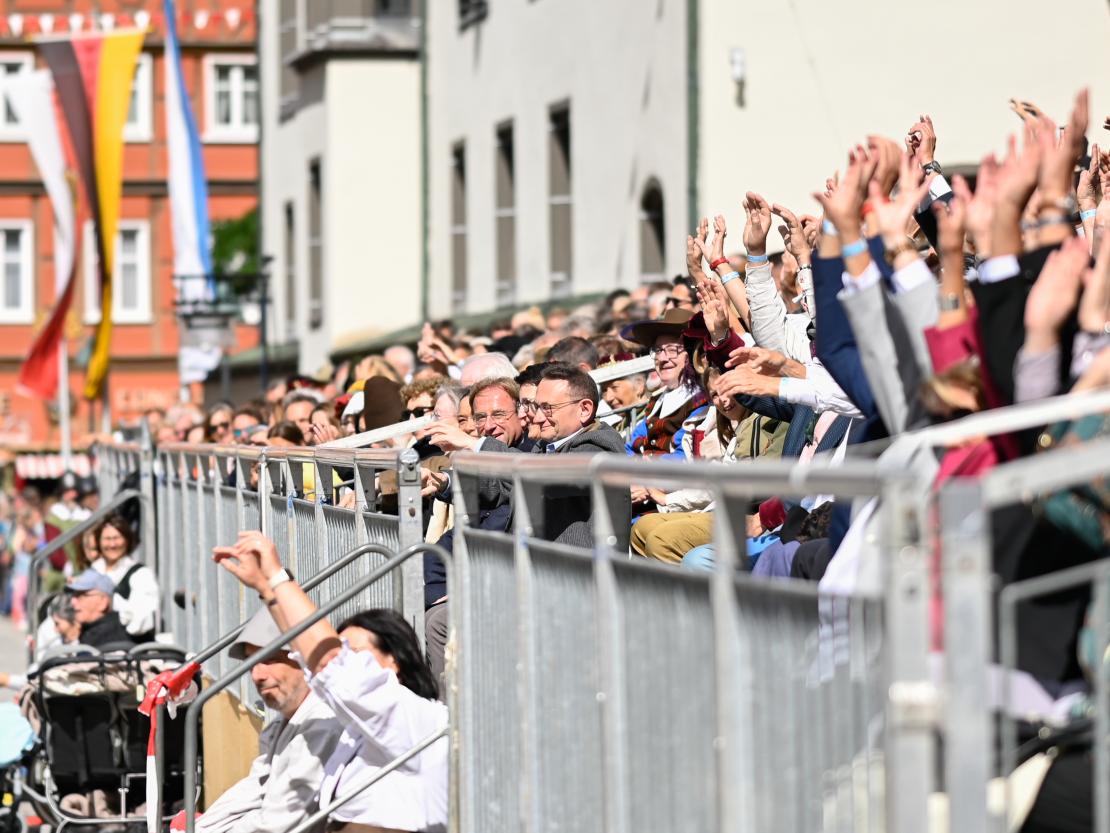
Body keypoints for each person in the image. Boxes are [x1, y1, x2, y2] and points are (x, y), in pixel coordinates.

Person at [213, 532, 448, 833]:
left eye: (358, 655)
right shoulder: (357, 729)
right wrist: (267, 590)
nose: (348, 663)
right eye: (345, 653)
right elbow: (313, 657)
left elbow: (328, 663)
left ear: (395, 660)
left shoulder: (415, 719)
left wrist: (276, 578)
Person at [191, 606, 343, 833]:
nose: (257, 675)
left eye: (270, 659)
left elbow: (279, 822)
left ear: (305, 662)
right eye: (252, 661)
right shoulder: (284, 724)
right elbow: (254, 789)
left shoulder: (324, 724)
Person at [621, 308, 710, 458]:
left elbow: (685, 454)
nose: (662, 358)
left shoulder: (701, 401)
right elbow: (630, 447)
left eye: (672, 350)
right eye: (658, 350)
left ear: (692, 352)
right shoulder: (656, 403)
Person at [90, 513, 160, 641]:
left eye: (117, 538)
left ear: (127, 540)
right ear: (98, 542)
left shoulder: (141, 574)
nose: (112, 544)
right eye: (107, 538)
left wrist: (109, 602)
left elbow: (142, 620)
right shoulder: (93, 570)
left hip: (127, 647)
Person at [66, 569, 135, 649]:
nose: (72, 601)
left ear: (103, 602)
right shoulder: (90, 632)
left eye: (81, 595)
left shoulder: (110, 639)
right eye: (73, 595)